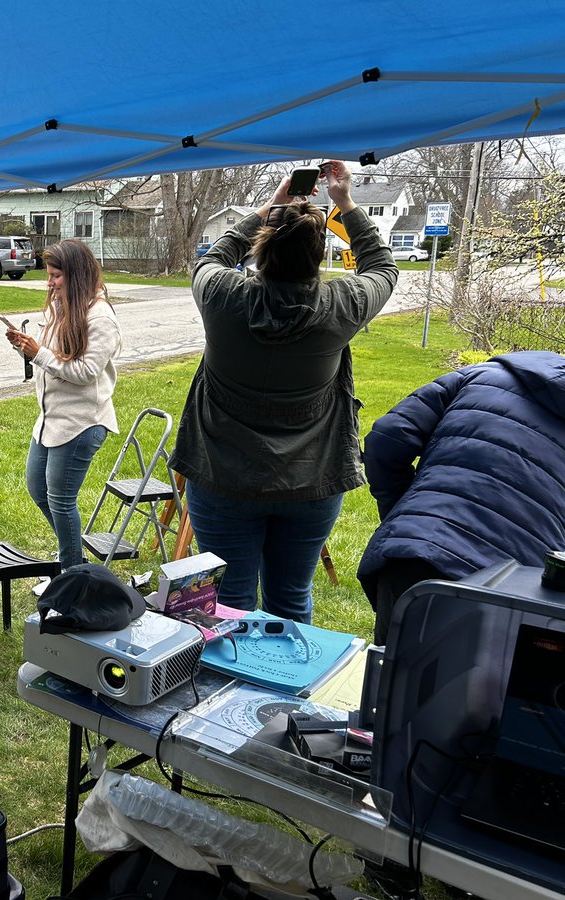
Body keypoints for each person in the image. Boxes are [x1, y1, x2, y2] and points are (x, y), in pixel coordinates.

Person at [170, 159, 398, 622]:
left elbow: (213, 257)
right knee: (291, 602)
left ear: (262, 252)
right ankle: (291, 692)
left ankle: (232, 694)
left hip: (222, 480)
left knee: (228, 606)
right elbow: (382, 266)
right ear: (316, 258)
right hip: (311, 484)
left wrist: (271, 205)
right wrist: (345, 203)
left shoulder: (222, 298)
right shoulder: (342, 305)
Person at [358, 351, 565, 645]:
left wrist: (402, 510)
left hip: (418, 555)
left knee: (396, 683)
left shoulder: (482, 374)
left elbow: (387, 438)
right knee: (483, 689)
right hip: (517, 590)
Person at [6, 239, 121, 572]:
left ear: (77, 274)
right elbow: (54, 357)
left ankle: (74, 576)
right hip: (50, 419)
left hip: (80, 423)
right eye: (49, 274)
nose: (50, 283)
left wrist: (37, 353)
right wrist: (26, 348)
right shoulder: (64, 306)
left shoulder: (100, 318)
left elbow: (84, 372)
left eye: (56, 275)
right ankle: (77, 559)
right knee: (38, 490)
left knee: (60, 500)